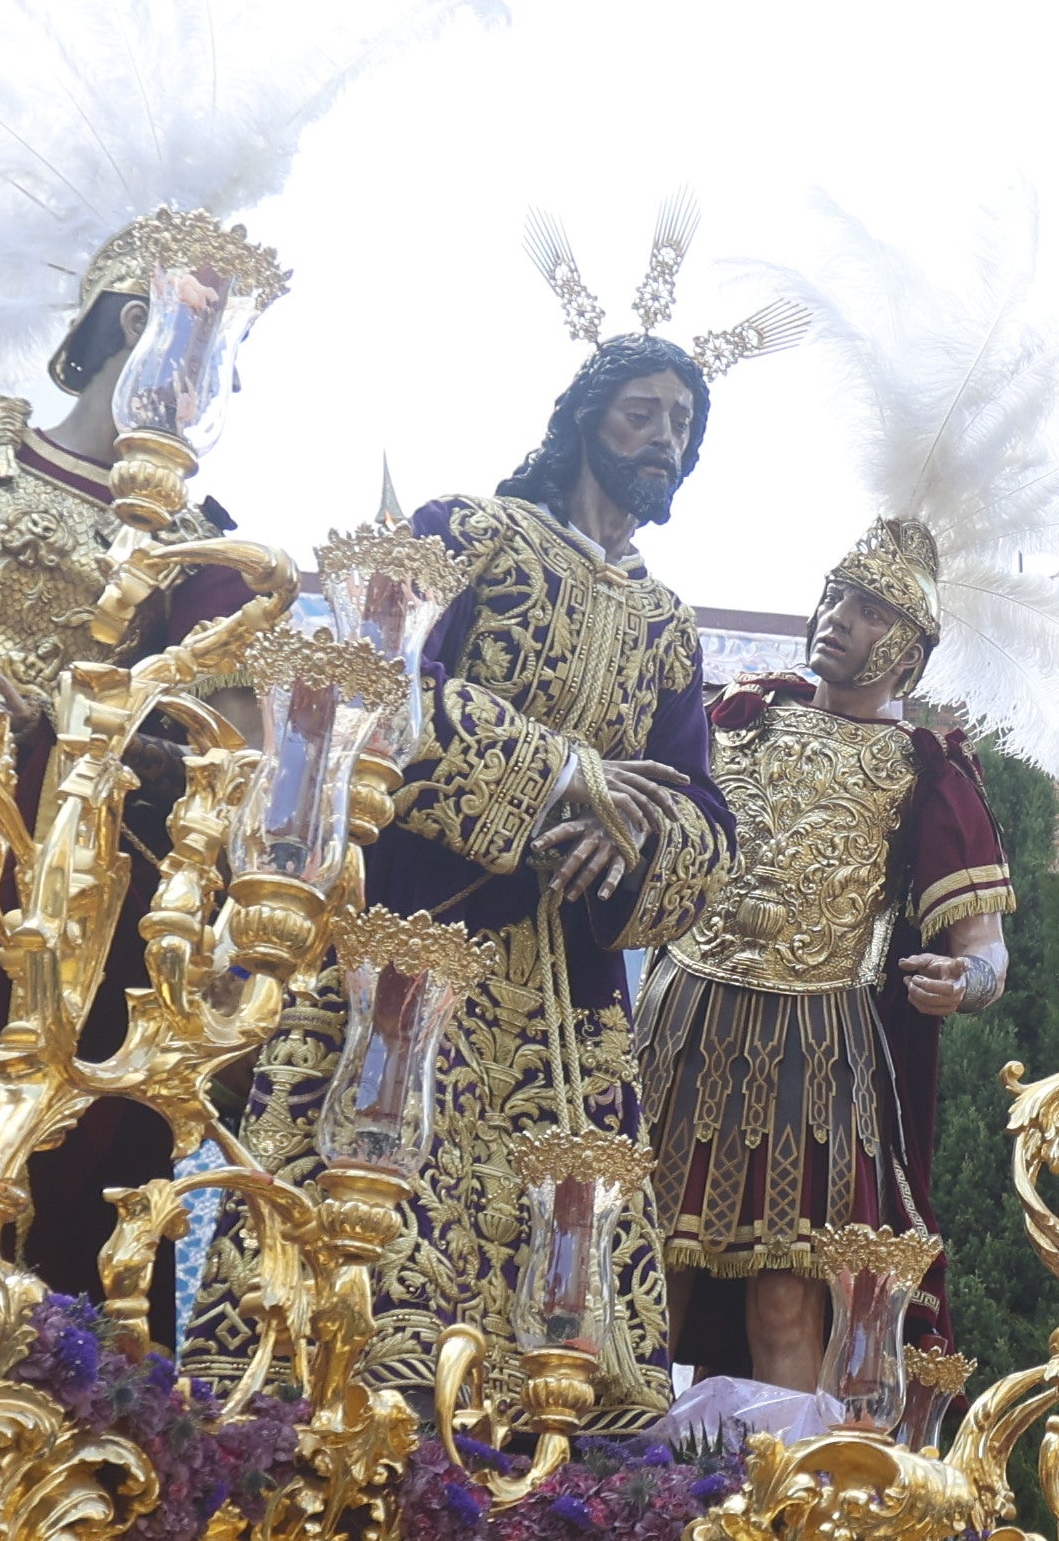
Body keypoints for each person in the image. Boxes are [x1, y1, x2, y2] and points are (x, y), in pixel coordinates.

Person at [238, 305, 745, 1404]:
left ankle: (539, 1454)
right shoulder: (470, 532)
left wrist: (627, 838)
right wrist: (566, 774)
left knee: (556, 1266)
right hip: (418, 932)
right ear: (585, 421)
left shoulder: (667, 625)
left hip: (571, 990)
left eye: (684, 424)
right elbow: (380, 685)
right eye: (643, 413)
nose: (665, 439)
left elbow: (703, 816)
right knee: (379, 1196)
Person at [629, 513, 1012, 1432]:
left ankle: (780, 1494)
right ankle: (607, 1484)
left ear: (909, 651)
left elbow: (987, 948)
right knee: (640, 1271)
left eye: (871, 610)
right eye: (837, 597)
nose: (840, 617)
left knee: (787, 1301)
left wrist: (964, 983)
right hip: (682, 1018)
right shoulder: (737, 716)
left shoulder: (927, 769)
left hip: (817, 1048)